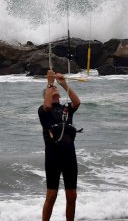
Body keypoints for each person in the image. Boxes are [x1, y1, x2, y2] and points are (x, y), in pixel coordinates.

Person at [38, 69, 81, 221]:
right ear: (46, 96)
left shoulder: (66, 109)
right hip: (53, 157)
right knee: (51, 195)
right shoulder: (44, 111)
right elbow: (48, 106)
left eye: (56, 90)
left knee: (72, 195)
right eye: (51, 90)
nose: (54, 91)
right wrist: (50, 83)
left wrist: (63, 84)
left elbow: (77, 102)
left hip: (69, 156)